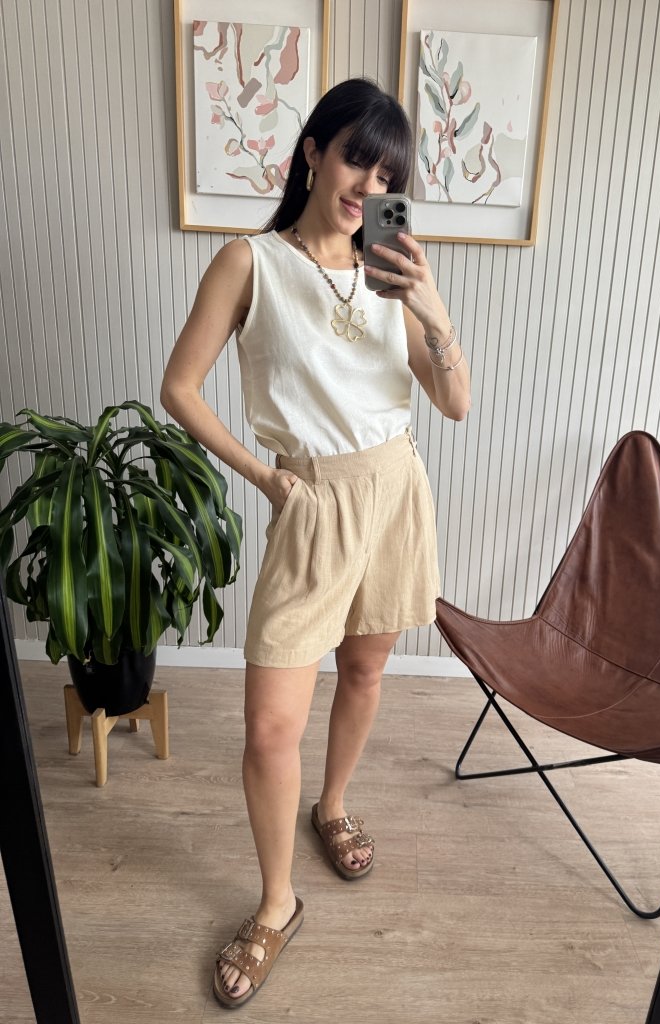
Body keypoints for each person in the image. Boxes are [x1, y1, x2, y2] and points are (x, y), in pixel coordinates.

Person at [160, 77, 471, 1009]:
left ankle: (331, 805)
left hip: (394, 489)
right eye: (354, 160)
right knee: (269, 728)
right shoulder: (250, 263)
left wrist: (430, 307)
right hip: (311, 498)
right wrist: (265, 478)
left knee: (365, 672)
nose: (368, 186)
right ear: (312, 153)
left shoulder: (392, 270)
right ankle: (276, 904)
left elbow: (455, 404)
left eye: (387, 176)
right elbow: (179, 388)